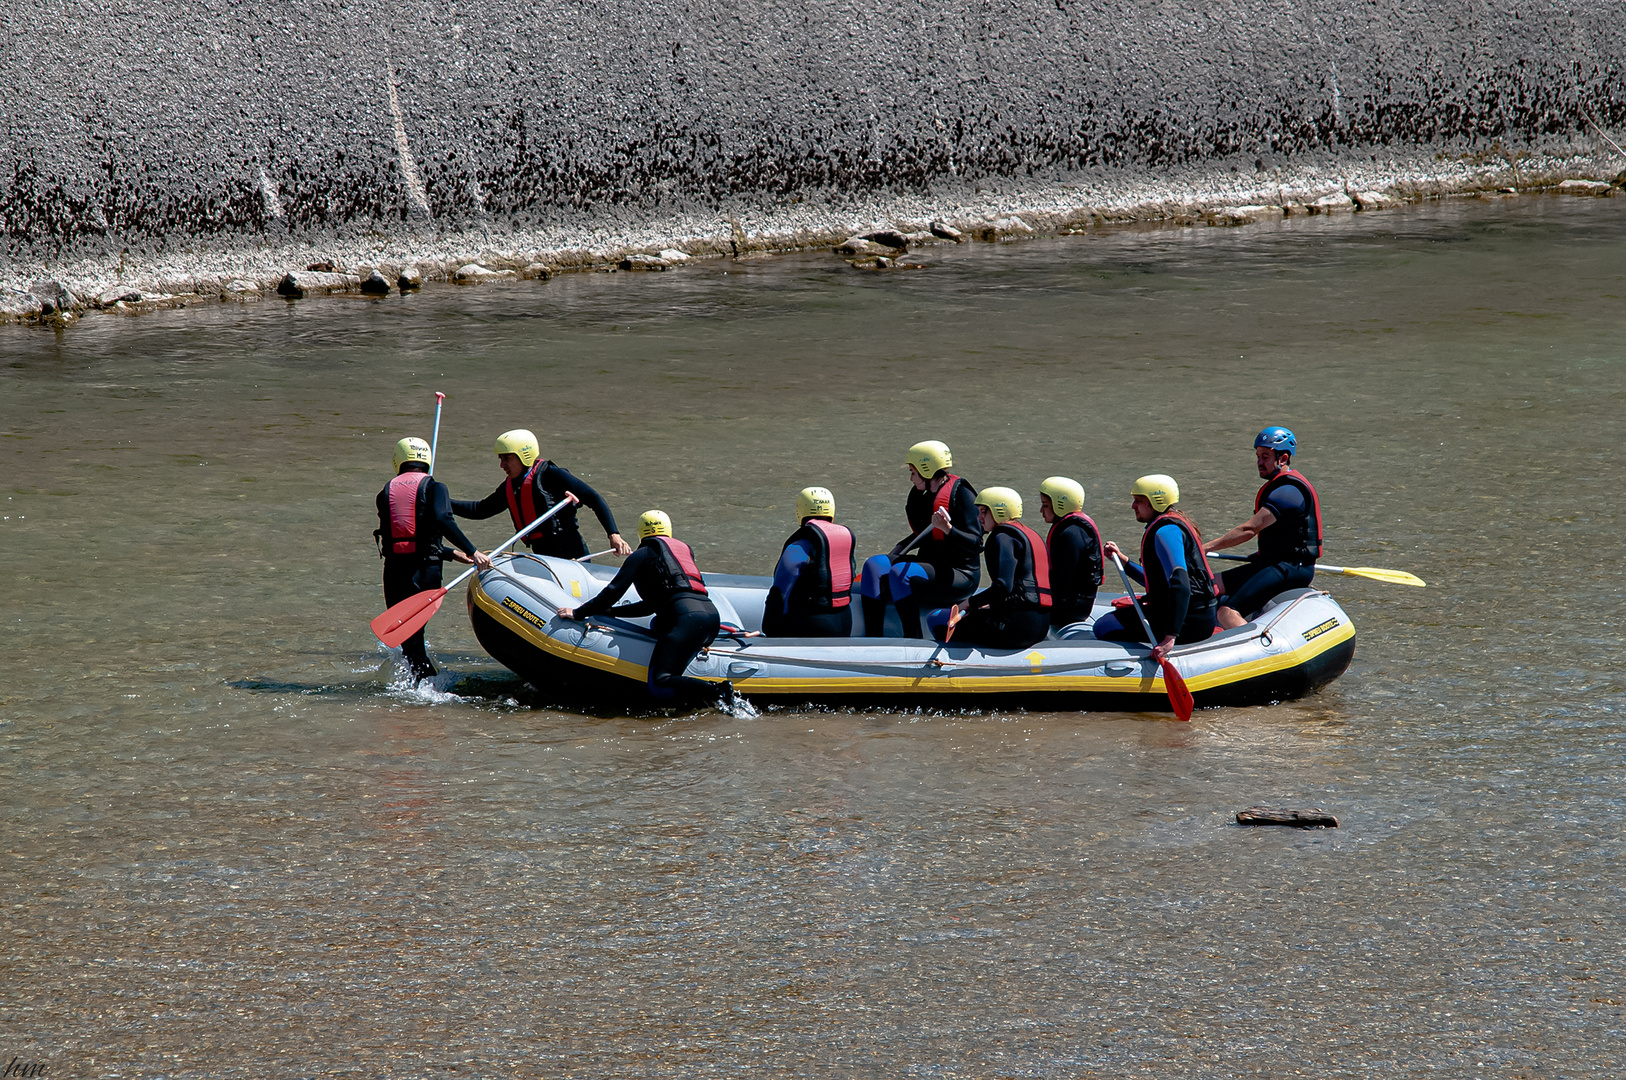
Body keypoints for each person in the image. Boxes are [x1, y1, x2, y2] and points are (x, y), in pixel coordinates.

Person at [557, 511, 735, 709]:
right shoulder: (682, 553)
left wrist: (578, 612)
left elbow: (612, 591)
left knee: (660, 679)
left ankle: (718, 691)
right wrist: (611, 612)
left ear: (641, 532)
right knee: (657, 623)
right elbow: (650, 606)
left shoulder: (640, 556)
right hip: (711, 619)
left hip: (686, 621)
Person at [374, 437, 493, 682]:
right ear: (426, 460)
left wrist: (451, 553)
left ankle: (415, 690)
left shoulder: (384, 492)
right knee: (414, 636)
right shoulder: (436, 487)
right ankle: (429, 688)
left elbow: (405, 534)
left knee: (410, 640)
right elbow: (442, 520)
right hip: (425, 570)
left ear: (398, 461)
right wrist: (473, 551)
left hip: (394, 572)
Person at [858, 440, 982, 637]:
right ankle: (873, 637)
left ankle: (913, 638)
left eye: (913, 472)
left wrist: (948, 529)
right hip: (930, 566)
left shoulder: (962, 494)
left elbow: (976, 544)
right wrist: (892, 556)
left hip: (960, 574)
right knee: (874, 565)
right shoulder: (923, 495)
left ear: (926, 471)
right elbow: (918, 535)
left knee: (900, 573)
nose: (911, 478)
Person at [1207, 426, 1323, 629]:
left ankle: (1255, 652)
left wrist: (1205, 547)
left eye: (1265, 456)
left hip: (1291, 568)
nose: (1259, 462)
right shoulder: (1280, 487)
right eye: (1258, 456)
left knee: (1227, 612)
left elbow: (1248, 530)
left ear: (1284, 458)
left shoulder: (1288, 492)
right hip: (1273, 563)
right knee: (1212, 584)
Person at [453, 428, 632, 559]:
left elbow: (594, 498)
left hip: (571, 555)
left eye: (507, 459)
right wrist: (442, 501)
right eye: (501, 459)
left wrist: (613, 534)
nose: (502, 466)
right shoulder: (510, 486)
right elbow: (480, 510)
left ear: (524, 455)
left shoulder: (551, 474)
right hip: (542, 557)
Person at [1095, 474, 1218, 663]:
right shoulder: (1171, 524)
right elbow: (1159, 583)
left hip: (1189, 623)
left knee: (1104, 627)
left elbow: (1180, 583)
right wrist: (1124, 562)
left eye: (1139, 501)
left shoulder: (1165, 531)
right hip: (1201, 617)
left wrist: (1170, 637)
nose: (1133, 506)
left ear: (1155, 502)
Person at [931, 487, 1051, 650]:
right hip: (1042, 626)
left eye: (983, 512)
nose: (979, 517)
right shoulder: (1030, 535)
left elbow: (1003, 586)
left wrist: (969, 603)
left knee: (936, 621)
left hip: (1017, 629)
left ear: (998, 512)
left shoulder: (1001, 537)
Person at [762, 486, 857, 638]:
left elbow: (779, 594)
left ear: (800, 511)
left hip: (813, 626)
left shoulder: (798, 547)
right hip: (845, 624)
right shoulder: (843, 542)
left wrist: (769, 630)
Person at [1038, 476, 1103, 628]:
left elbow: (1062, 579)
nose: (1041, 510)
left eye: (1045, 505)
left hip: (1071, 608)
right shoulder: (1069, 528)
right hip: (1071, 603)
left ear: (1060, 505)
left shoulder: (1071, 533)